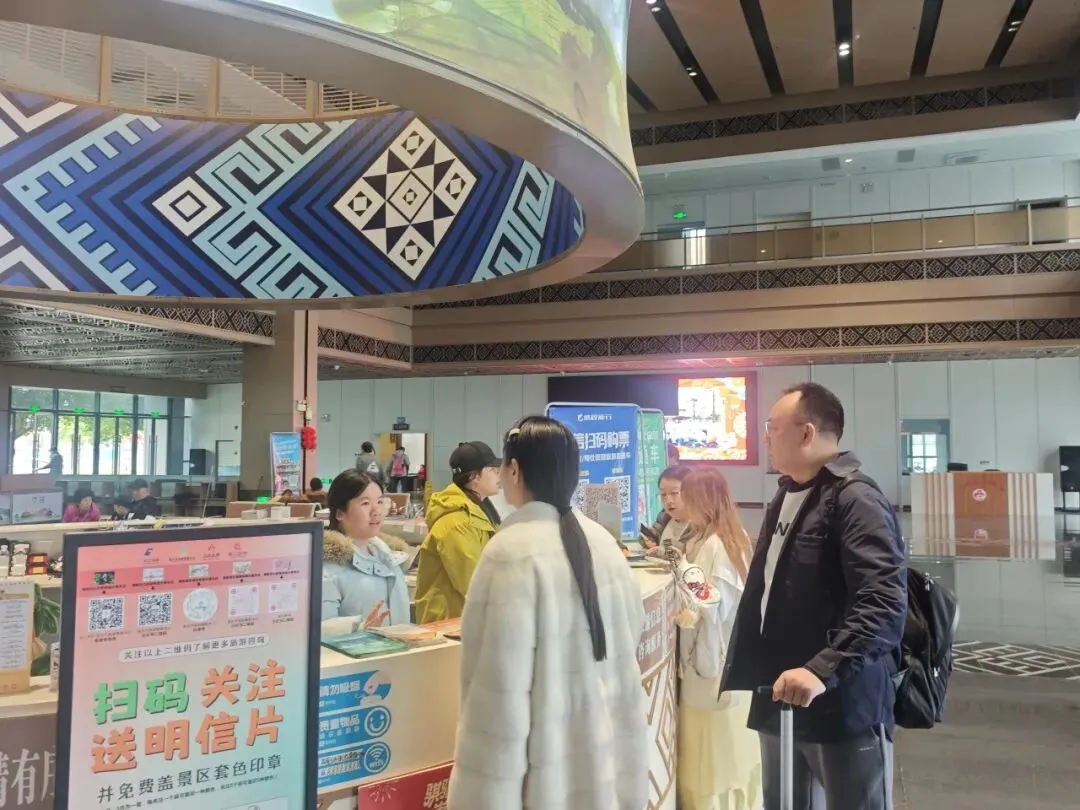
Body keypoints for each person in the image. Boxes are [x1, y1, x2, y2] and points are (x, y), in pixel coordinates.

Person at [721, 382, 907, 810]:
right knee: (783, 801)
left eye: (772, 427)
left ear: (806, 433)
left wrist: (822, 671)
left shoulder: (856, 499)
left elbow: (883, 603)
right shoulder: (787, 493)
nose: (765, 438)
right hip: (780, 692)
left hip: (839, 701)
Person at [448, 416, 648, 810]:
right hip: (604, 776)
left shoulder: (510, 552)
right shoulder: (603, 543)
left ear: (515, 469)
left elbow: (496, 700)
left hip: (542, 789)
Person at [674, 468, 760, 810]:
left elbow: (712, 602)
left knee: (712, 755)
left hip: (713, 665)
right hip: (721, 663)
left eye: (687, 498)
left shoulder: (718, 545)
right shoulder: (722, 537)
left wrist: (683, 569)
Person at [413, 441, 501, 624]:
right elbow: (474, 583)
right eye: (493, 469)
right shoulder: (456, 522)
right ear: (474, 477)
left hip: (463, 623)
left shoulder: (479, 512)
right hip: (446, 627)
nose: (498, 474)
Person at [322, 468, 410, 625]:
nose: (376, 511)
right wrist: (359, 630)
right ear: (340, 513)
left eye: (380, 502)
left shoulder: (389, 558)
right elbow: (320, 631)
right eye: (365, 503)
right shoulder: (327, 570)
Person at [640, 465, 692, 554]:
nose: (668, 501)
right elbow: (654, 538)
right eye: (663, 494)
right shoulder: (664, 517)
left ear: (691, 492)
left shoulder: (700, 527)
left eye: (674, 493)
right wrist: (649, 540)